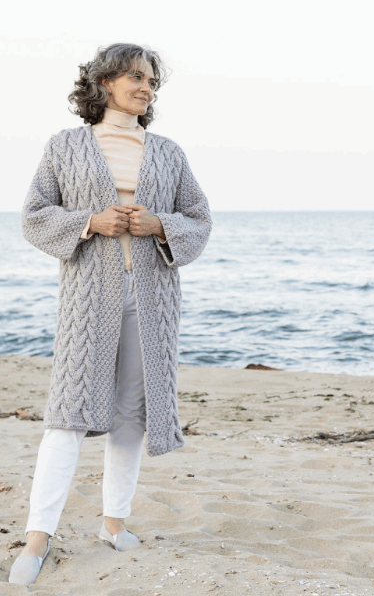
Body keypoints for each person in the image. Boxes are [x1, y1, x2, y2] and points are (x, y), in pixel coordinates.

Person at [10, 44, 212, 585]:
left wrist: (159, 226)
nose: (146, 87)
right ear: (104, 83)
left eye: (152, 81)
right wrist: (91, 222)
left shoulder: (168, 152)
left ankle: (113, 524)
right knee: (67, 415)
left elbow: (199, 218)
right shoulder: (66, 146)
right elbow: (34, 216)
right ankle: (36, 539)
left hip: (153, 298)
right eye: (136, 77)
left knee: (131, 414)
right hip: (87, 298)